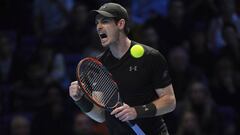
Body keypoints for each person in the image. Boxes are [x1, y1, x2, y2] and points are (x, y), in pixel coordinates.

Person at [69, 2, 176, 135]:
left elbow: (170, 101)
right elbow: (101, 116)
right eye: (97, 23)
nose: (99, 27)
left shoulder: (150, 57)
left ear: (120, 24)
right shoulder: (98, 66)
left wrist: (136, 112)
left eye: (105, 21)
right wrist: (80, 100)